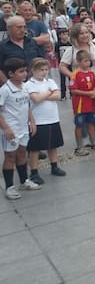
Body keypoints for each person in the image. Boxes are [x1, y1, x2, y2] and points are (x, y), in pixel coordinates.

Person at [1, 58, 40, 199]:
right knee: (10, 157)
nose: (25, 74)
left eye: (25, 70)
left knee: (22, 153)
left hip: (23, 128)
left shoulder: (25, 87)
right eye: (21, 71)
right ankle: (9, 187)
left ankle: (24, 181)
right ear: (11, 74)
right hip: (11, 130)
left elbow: (27, 106)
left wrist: (32, 121)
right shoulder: (5, 90)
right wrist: (6, 129)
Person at [59, 23, 95, 136]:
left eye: (86, 32)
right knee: (83, 111)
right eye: (81, 33)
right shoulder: (71, 50)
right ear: (76, 35)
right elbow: (62, 66)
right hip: (81, 87)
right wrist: (73, 75)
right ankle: (85, 134)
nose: (85, 35)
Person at [25, 57, 66, 184]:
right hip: (38, 121)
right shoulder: (28, 85)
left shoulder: (50, 82)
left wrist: (44, 95)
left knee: (53, 145)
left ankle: (54, 166)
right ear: (33, 70)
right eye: (41, 70)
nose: (44, 72)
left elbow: (58, 95)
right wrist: (49, 93)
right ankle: (34, 172)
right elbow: (35, 99)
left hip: (52, 118)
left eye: (46, 69)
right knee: (35, 148)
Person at [69, 50, 95, 155]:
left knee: (91, 124)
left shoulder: (91, 72)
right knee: (79, 125)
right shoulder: (75, 74)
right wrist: (88, 93)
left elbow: (94, 85)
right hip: (80, 105)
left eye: (89, 61)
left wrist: (94, 92)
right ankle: (79, 147)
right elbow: (73, 90)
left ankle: (94, 143)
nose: (88, 63)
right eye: (85, 61)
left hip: (90, 105)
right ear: (78, 62)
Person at [54, 28, 72, 100]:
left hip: (70, 63)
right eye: (63, 34)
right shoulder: (58, 44)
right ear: (59, 36)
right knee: (62, 80)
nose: (65, 36)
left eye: (66, 34)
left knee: (71, 78)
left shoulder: (70, 43)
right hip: (62, 63)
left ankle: (72, 93)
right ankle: (63, 95)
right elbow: (56, 53)